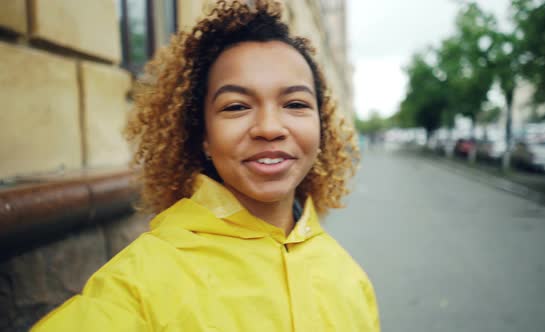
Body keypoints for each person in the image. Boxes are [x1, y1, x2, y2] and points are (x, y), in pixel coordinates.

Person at [32, 0, 380, 330]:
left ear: (322, 125)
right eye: (236, 107)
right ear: (203, 137)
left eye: (295, 103)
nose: (270, 128)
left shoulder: (351, 279)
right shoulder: (140, 284)